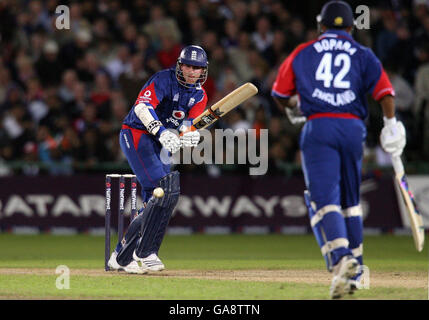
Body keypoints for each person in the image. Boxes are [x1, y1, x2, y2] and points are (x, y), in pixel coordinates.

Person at [271, 1, 406, 299]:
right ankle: (357, 270)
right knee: (350, 200)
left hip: (320, 126)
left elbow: (280, 93)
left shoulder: (303, 52)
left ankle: (342, 257)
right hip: (353, 129)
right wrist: (391, 123)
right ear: (350, 27)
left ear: (321, 26)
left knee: (321, 199)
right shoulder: (363, 53)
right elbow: (384, 92)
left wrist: (294, 107)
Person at [107, 45, 208, 274]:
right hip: (136, 133)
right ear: (180, 65)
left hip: (161, 143)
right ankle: (145, 253)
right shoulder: (163, 79)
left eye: (198, 68)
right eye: (188, 66)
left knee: (158, 197)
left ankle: (121, 257)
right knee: (165, 188)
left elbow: (186, 126)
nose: (192, 71)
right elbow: (142, 107)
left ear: (203, 71)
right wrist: (161, 131)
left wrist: (190, 136)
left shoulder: (200, 96)